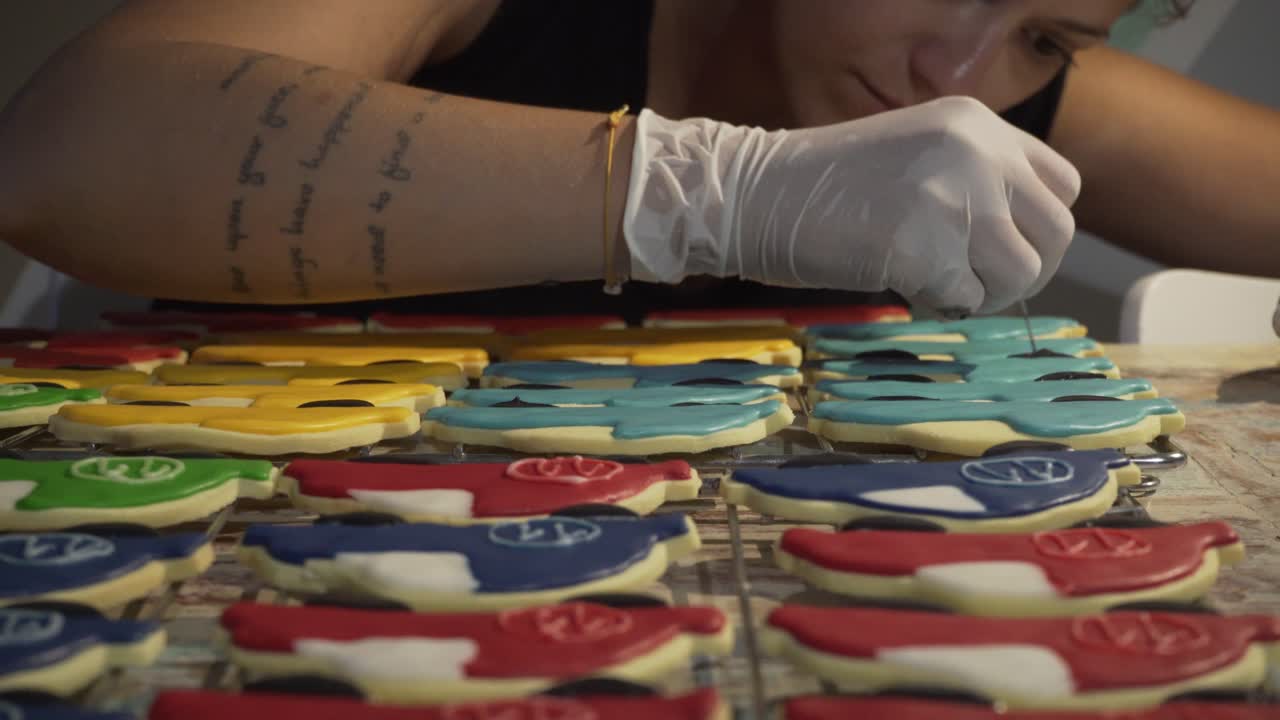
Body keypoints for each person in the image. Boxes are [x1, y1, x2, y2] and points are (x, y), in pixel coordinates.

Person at [0, 0, 1275, 324]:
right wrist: (702, 191)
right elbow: (62, 152)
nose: (959, 74)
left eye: (1047, 32)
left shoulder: (1014, 76)